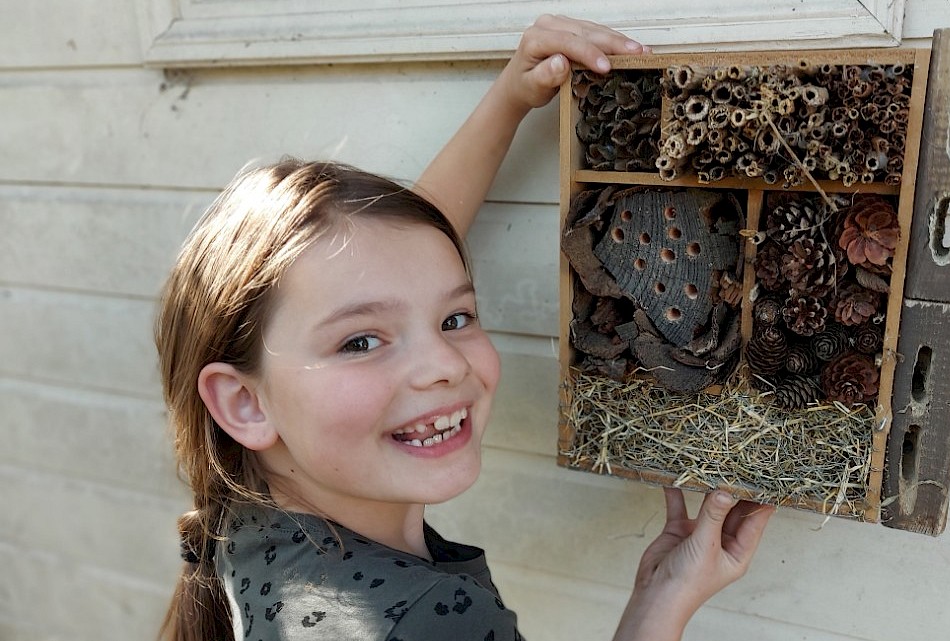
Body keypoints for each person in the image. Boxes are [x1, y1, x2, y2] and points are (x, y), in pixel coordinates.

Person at [155, 15, 775, 641]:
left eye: (455, 319)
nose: (444, 364)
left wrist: (509, 101)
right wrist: (664, 611)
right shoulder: (428, 620)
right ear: (243, 401)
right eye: (360, 343)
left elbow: (385, 270)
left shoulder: (248, 511)